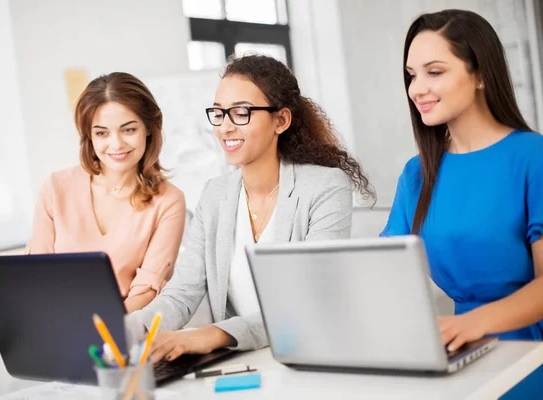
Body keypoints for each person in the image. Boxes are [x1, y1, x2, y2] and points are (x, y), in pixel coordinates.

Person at [126, 54, 375, 361]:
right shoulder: (215, 194)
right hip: (242, 361)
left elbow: (305, 302)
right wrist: (125, 331)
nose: (225, 127)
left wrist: (214, 334)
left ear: (281, 120)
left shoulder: (325, 187)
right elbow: (181, 294)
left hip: (314, 356)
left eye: (241, 113)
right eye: (218, 114)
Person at [381, 10, 543, 398]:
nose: (416, 88)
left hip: (528, 357)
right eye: (411, 74)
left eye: (434, 72)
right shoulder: (416, 174)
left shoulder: (533, 157)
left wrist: (472, 324)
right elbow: (385, 276)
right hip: (456, 359)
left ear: (481, 74)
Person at [28, 72, 186, 313]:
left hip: (124, 332)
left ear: (149, 129)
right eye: (102, 133)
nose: (116, 144)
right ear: (89, 137)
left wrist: (101, 328)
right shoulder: (55, 187)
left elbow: (147, 291)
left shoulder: (168, 201)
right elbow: (34, 275)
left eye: (128, 130)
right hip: (55, 323)